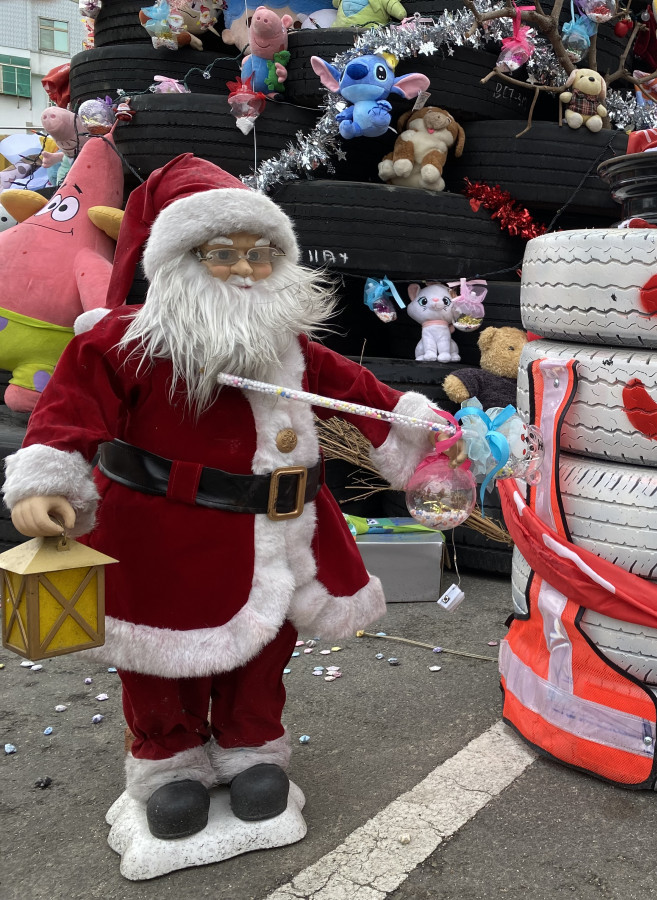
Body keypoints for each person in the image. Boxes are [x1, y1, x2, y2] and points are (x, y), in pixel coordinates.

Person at [3, 155, 463, 843]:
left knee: (264, 652)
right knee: (159, 657)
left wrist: (427, 436)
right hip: (162, 535)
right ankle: (168, 761)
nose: (245, 270)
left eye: (261, 253)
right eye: (223, 254)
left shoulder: (291, 349)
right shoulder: (122, 341)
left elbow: (364, 397)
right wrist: (47, 484)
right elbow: (69, 414)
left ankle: (252, 747)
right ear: (180, 259)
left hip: (275, 534)